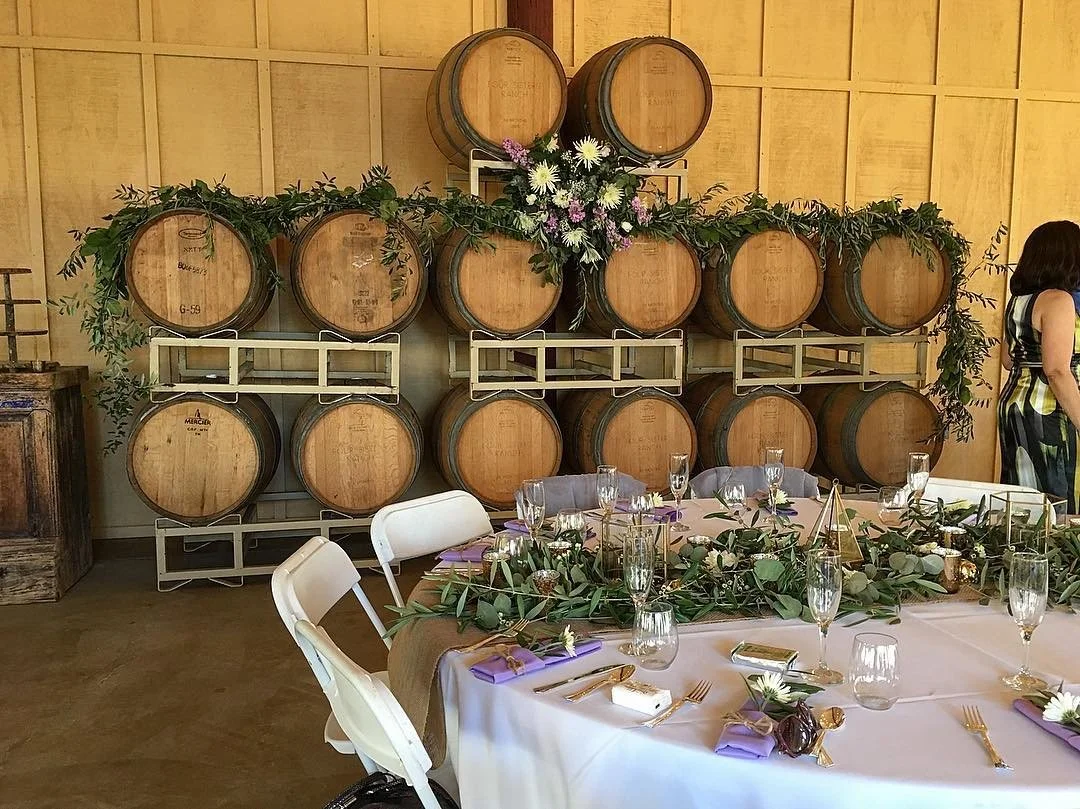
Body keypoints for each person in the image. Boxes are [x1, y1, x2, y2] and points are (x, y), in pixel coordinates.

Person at [999, 220, 1080, 511]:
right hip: (1049, 409)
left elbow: (1009, 359)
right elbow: (1057, 369)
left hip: (1015, 401)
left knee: (1023, 501)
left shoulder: (1018, 301)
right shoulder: (1059, 300)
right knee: (1057, 501)